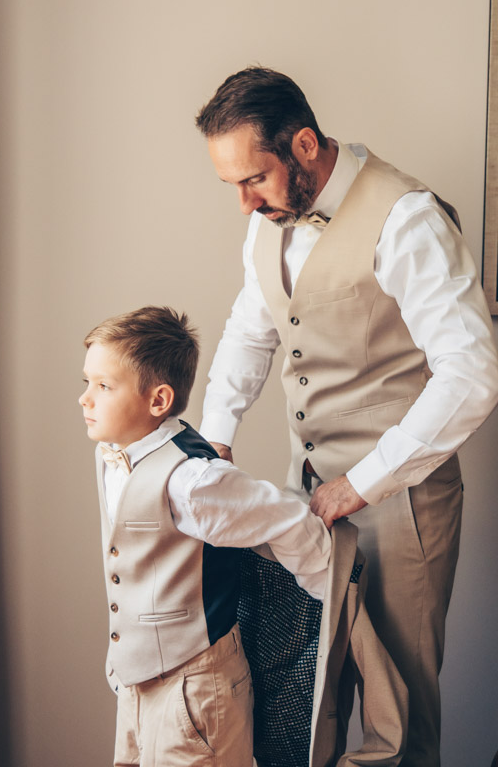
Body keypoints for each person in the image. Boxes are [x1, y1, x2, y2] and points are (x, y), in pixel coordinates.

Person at [193, 67, 498, 767]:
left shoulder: (407, 217)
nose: (244, 203)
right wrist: (216, 438)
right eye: (232, 185)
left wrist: (362, 483)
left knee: (401, 715)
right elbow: (252, 331)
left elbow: (473, 373)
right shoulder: (268, 223)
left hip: (402, 505)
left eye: (255, 179)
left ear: (305, 145)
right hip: (306, 498)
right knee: (310, 706)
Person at [80, 305, 332, 767]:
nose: (85, 399)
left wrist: (328, 599)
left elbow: (286, 520)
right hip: (135, 682)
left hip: (195, 688)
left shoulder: (194, 481)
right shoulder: (111, 454)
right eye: (86, 382)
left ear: (158, 401)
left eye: (103, 386)